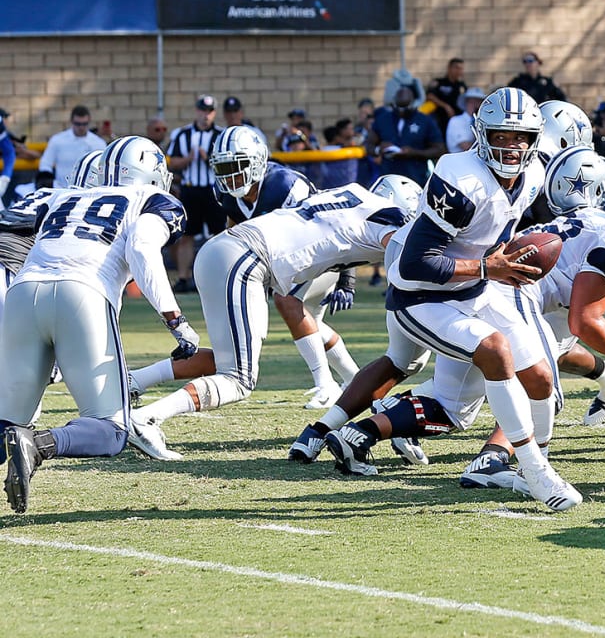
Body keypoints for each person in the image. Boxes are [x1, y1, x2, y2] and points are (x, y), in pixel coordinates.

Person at [373, 87, 582, 510]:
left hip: (474, 286)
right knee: (494, 350)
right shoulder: (460, 177)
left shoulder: (534, 175)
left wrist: (507, 260)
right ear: (482, 134)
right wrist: (490, 267)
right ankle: (537, 472)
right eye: (502, 135)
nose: (512, 145)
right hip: (420, 298)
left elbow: (501, 227)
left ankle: (532, 465)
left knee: (541, 377)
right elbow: (416, 264)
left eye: (520, 137)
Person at [126, 179, 418, 460]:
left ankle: (132, 381)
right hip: (247, 259)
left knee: (229, 362)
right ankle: (146, 418)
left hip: (226, 250)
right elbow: (410, 261)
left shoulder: (352, 194)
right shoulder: (390, 218)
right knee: (238, 379)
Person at [0, 136, 195, 514]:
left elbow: (8, 225)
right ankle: (37, 445)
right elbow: (140, 245)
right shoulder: (151, 199)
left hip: (23, 291)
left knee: (5, 421)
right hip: (83, 293)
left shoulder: (60, 195)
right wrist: (176, 320)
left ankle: (21, 437)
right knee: (111, 429)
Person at [166, 96, 224, 293]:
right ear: (196, 111)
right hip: (191, 189)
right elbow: (172, 162)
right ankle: (183, 278)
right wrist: (188, 159)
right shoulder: (182, 135)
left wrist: (208, 159)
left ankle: (223, 274)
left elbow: (226, 165)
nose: (205, 115)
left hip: (213, 190)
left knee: (221, 235)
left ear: (214, 113)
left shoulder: (221, 135)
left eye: (209, 111)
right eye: (202, 110)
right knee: (187, 235)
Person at [369, 71, 445, 185]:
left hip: (415, 178)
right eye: (399, 107)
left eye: (405, 108)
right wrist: (378, 149)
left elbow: (439, 149)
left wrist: (414, 152)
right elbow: (368, 144)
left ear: (413, 103)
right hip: (388, 178)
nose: (401, 111)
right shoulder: (383, 119)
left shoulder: (425, 120)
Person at [37, 105, 106, 189]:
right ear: (72, 122)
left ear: (89, 122)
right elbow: (45, 163)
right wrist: (47, 181)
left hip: (89, 191)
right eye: (78, 124)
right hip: (62, 190)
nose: (81, 127)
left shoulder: (99, 143)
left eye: (84, 124)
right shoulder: (57, 140)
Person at [426, 57, 467, 134]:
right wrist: (445, 106)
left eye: (461, 69)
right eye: (457, 68)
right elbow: (430, 96)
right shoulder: (439, 82)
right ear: (449, 68)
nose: (459, 71)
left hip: (456, 121)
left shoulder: (462, 86)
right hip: (439, 119)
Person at [320, 119, 359, 189]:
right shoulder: (340, 149)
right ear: (336, 137)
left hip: (327, 184)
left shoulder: (322, 150)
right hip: (342, 183)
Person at [445, 87, 484, 153]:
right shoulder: (456, 121)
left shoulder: (482, 122)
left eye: (480, 101)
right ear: (467, 101)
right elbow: (467, 147)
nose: (478, 105)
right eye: (474, 101)